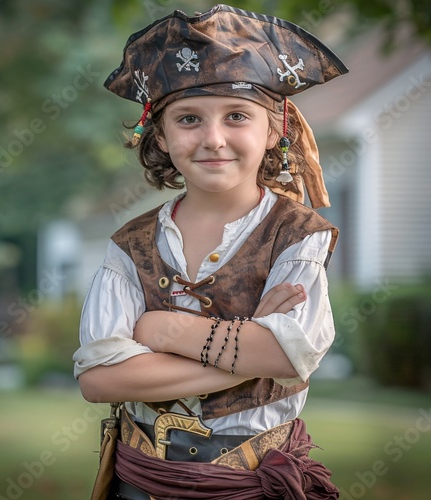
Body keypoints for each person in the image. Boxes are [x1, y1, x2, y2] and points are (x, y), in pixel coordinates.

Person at [73, 5, 348, 499]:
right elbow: (99, 381)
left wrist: (163, 330)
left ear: (273, 129)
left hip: (251, 484)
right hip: (142, 483)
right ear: (159, 133)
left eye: (237, 116)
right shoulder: (130, 245)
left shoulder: (298, 236)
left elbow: (288, 354)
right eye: (189, 119)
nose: (213, 139)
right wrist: (248, 343)